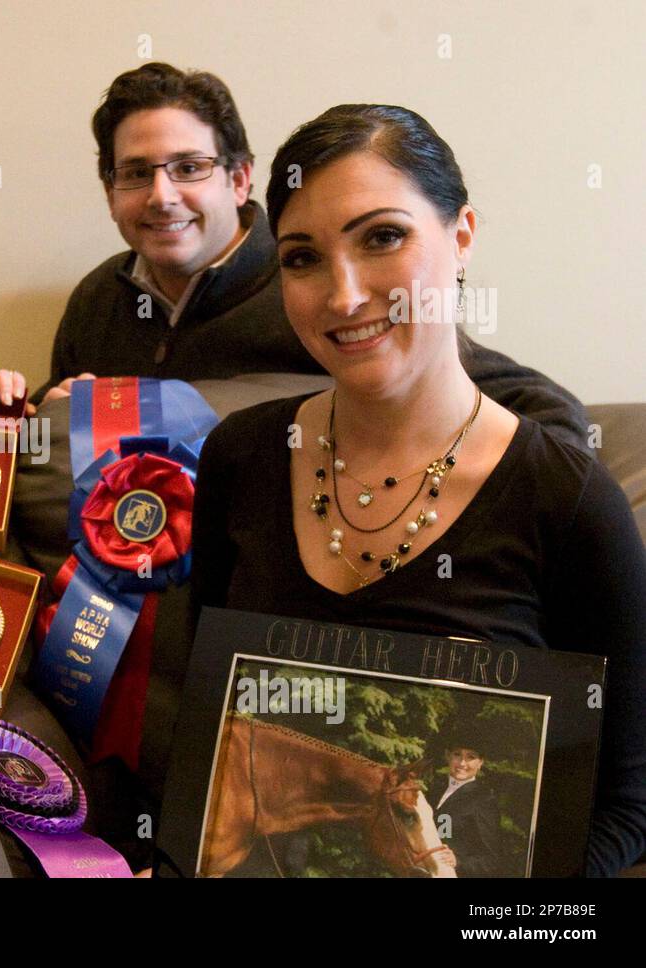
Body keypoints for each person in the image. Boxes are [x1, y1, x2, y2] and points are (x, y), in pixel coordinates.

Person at [189, 104, 646, 876]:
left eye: (381, 238)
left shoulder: (568, 501)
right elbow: (197, 723)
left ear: (461, 236)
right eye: (302, 258)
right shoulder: (240, 457)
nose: (342, 296)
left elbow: (632, 802)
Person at [0, 64, 589, 451]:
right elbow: (50, 446)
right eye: (136, 173)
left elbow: (540, 410)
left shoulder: (318, 286)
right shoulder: (96, 298)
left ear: (240, 179)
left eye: (189, 168)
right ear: (110, 190)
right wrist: (24, 409)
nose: (162, 196)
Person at [427, 742, 504, 876]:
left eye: (471, 757)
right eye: (457, 755)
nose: (462, 763)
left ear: (480, 762)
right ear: (448, 756)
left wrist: (458, 861)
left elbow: (492, 860)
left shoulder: (483, 800)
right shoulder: (434, 790)